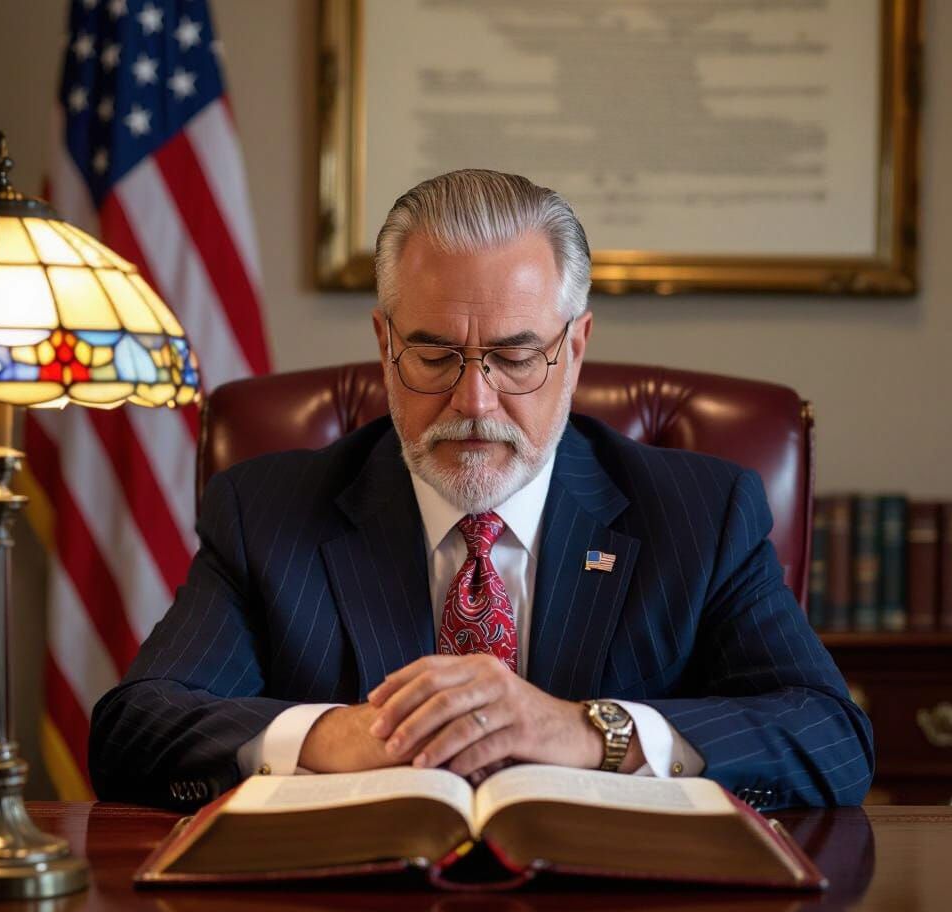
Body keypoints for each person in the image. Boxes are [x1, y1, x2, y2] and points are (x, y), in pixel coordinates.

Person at [89, 169, 873, 811]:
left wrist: (590, 732)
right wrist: (332, 736)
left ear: (576, 349)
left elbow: (830, 736)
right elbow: (134, 731)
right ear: (385, 343)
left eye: (516, 356)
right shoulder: (267, 513)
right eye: (434, 356)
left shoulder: (701, 515)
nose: (474, 401)